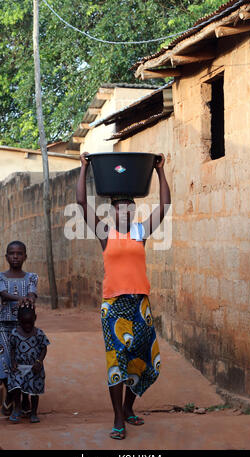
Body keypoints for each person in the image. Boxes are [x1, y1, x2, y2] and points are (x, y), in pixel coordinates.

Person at [76, 151, 171, 440]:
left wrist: (159, 171)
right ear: (112, 212)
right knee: (116, 361)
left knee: (143, 358)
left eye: (129, 207)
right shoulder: (106, 234)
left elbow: (165, 204)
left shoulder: (140, 232)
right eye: (119, 208)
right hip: (114, 305)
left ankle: (129, 407)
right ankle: (118, 416)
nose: (125, 211)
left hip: (139, 303)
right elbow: (81, 202)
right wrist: (83, 168)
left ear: (134, 212)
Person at [0, 241, 38, 417]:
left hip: (25, 330)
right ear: (6, 256)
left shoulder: (32, 277)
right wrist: (21, 298)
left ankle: (22, 399)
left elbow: (33, 293)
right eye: (12, 253)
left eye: (19, 253)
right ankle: (11, 395)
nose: (16, 256)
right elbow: (3, 293)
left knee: (25, 363)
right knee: (5, 362)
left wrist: (30, 297)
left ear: (25, 256)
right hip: (6, 326)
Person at [8, 305, 50, 423]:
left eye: (30, 323)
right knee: (17, 387)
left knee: (34, 392)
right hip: (19, 367)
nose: (27, 326)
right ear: (19, 320)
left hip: (34, 368)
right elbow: (11, 348)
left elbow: (44, 348)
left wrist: (39, 361)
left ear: (35, 318)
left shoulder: (39, 333)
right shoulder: (15, 333)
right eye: (24, 323)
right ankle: (17, 408)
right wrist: (13, 361)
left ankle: (33, 413)